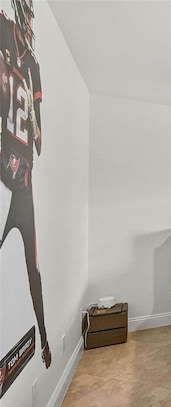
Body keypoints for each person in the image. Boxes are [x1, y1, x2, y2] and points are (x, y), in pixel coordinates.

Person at [0, 0, 49, 368]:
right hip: (5, 175)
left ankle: (44, 342)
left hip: (25, 181)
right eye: (29, 14)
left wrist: (35, 127)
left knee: (33, 268)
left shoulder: (32, 64)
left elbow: (40, 137)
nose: (31, 22)